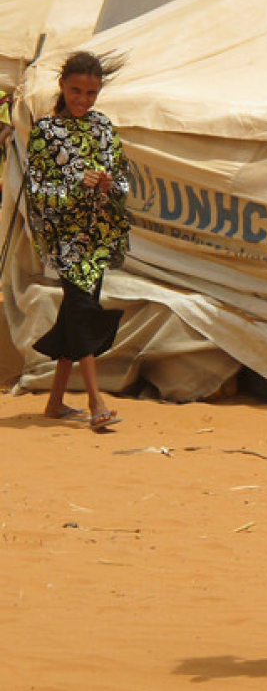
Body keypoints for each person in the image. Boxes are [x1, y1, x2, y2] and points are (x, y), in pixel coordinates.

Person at [25, 51, 131, 431]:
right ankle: (95, 401)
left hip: (99, 236)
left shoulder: (104, 127)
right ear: (62, 86)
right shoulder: (45, 132)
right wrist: (75, 184)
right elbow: (37, 192)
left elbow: (123, 181)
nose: (83, 100)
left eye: (91, 93)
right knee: (84, 309)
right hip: (65, 239)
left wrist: (107, 184)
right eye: (76, 91)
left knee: (76, 311)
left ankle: (54, 403)